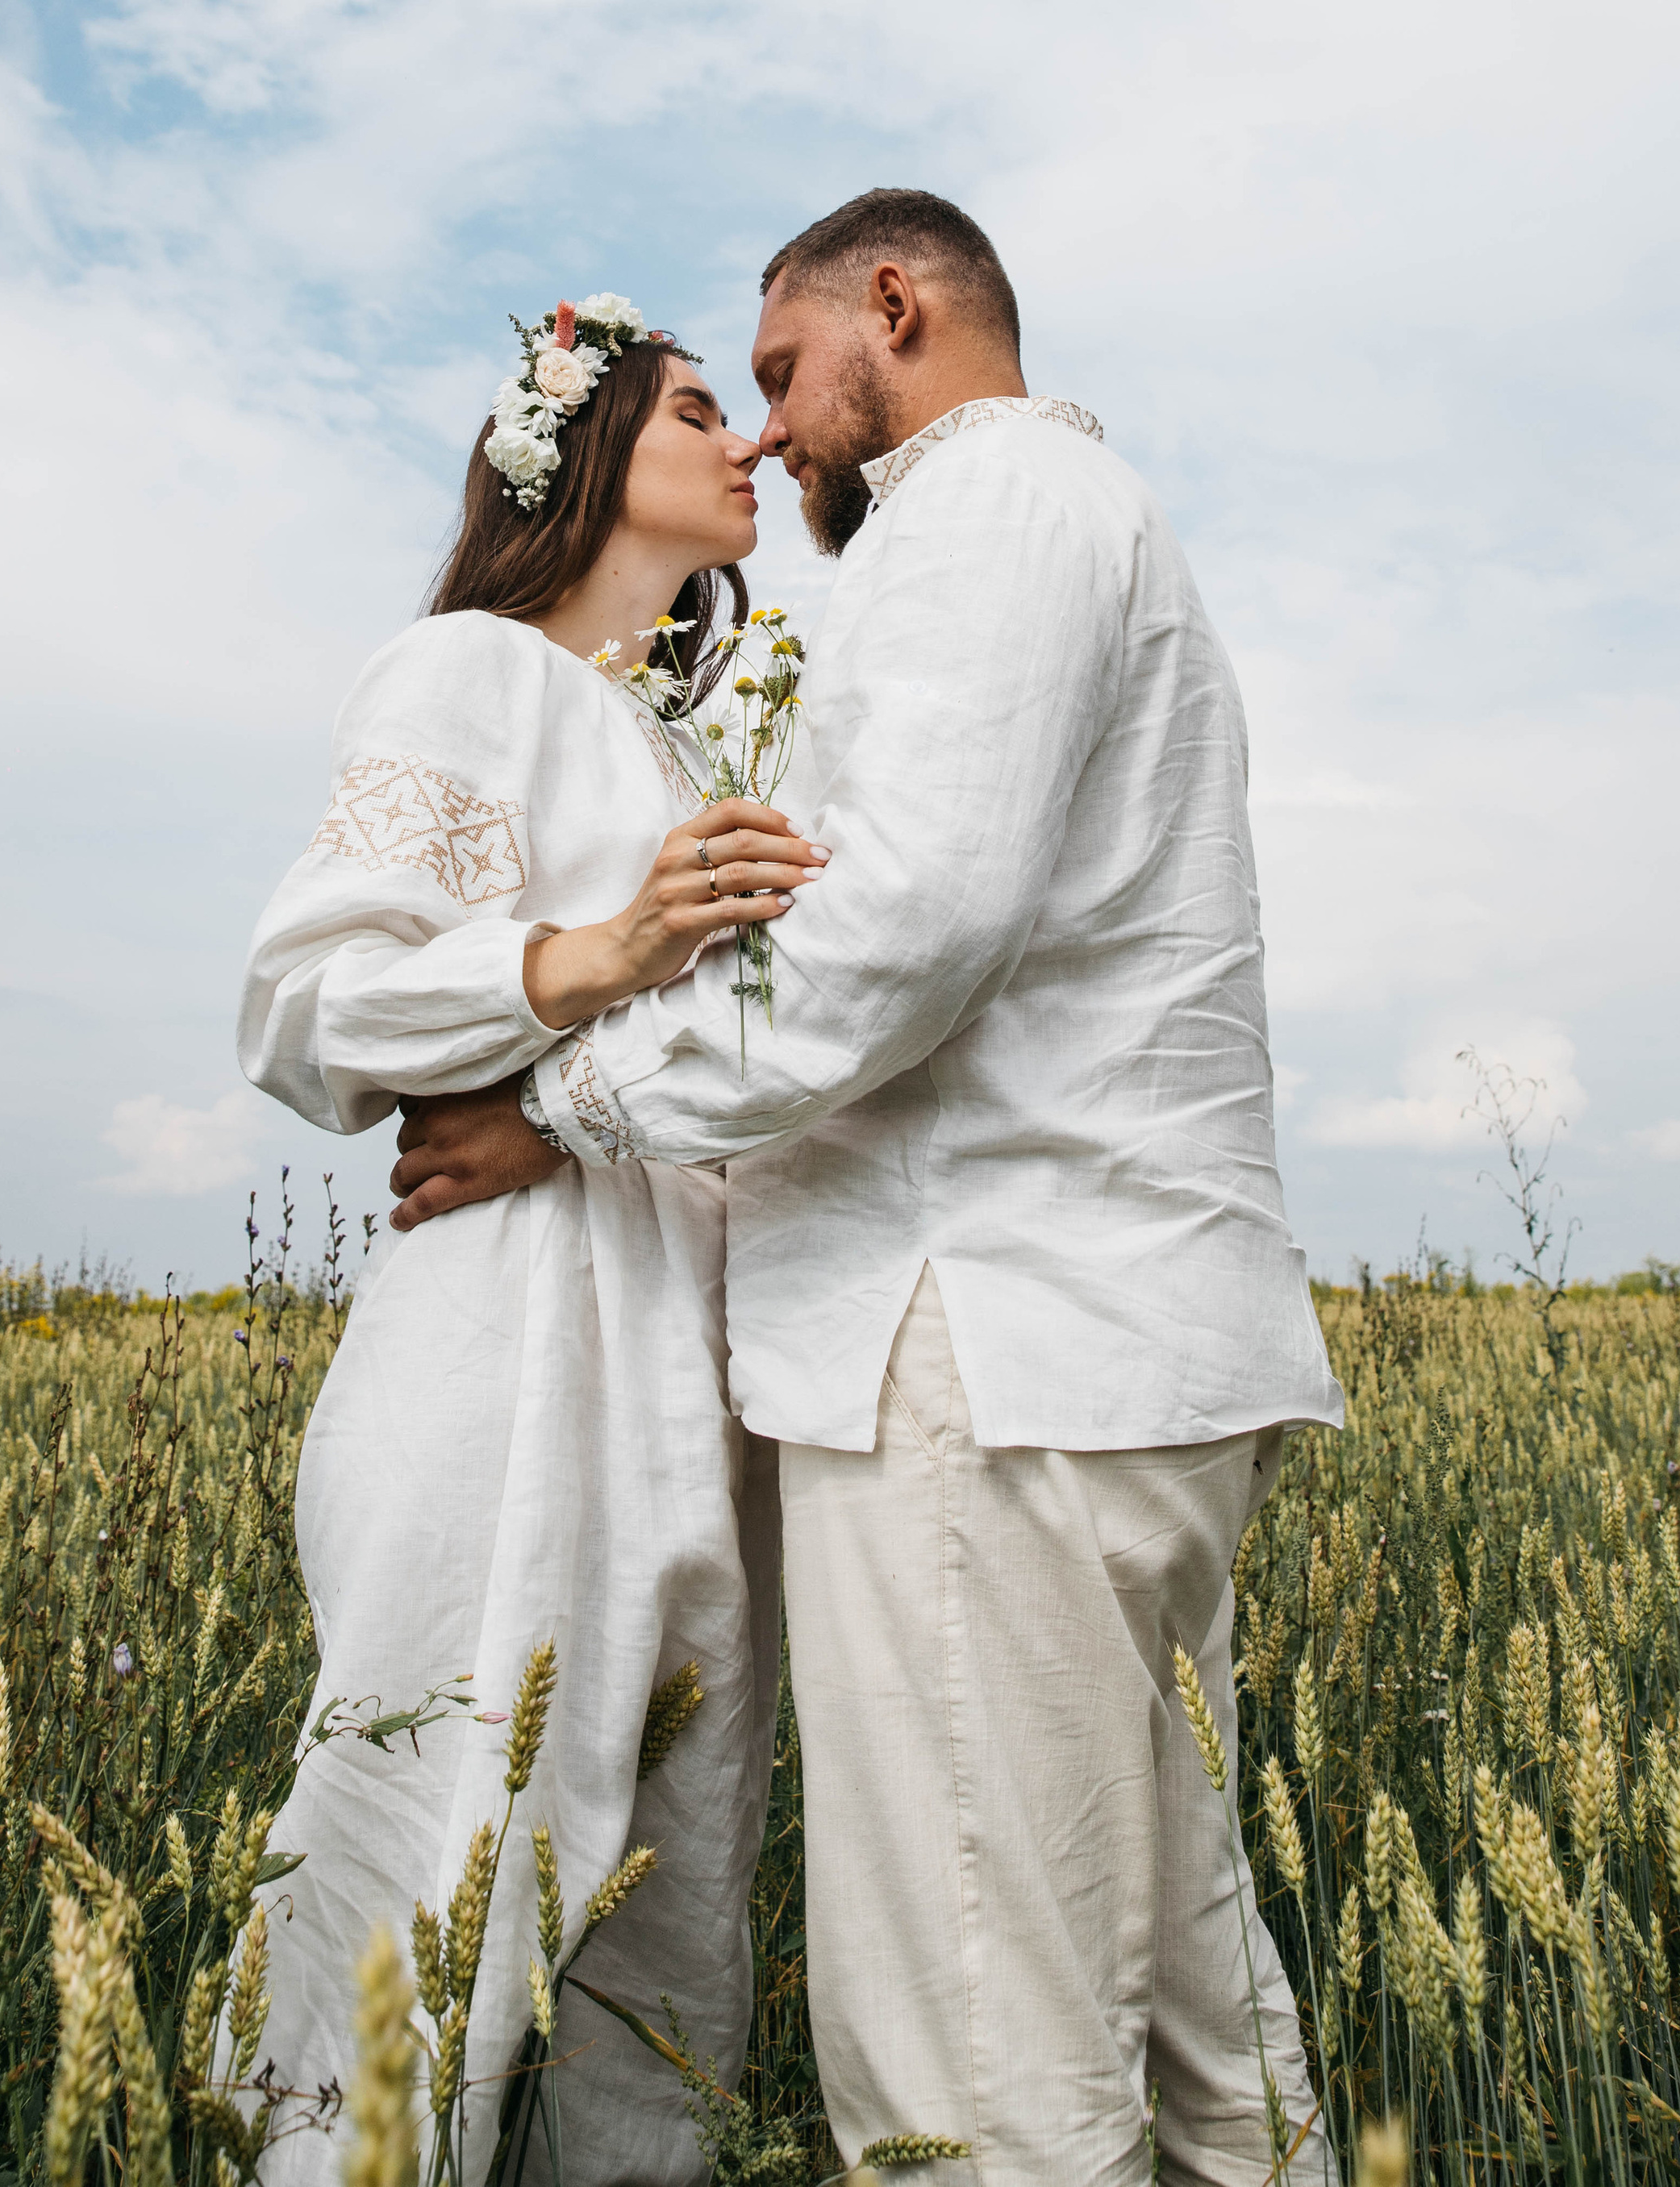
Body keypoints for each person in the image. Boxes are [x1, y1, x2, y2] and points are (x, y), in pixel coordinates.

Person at [389, 193, 1348, 2187]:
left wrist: (562, 1103)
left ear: (890, 311)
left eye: (775, 378)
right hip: (1105, 1351)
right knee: (1181, 2011)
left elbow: (900, 927)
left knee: (971, 2044)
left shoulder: (984, 519)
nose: (769, 436)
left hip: (980, 1346)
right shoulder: (1084, 526)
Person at [234, 297, 826, 2185]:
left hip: (688, 1343)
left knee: (668, 1905)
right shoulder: (464, 675)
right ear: (571, 458)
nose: (743, 442)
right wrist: (595, 958)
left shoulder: (689, 740)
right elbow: (308, 1010)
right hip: (510, 1335)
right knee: (434, 1851)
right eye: (690, 411)